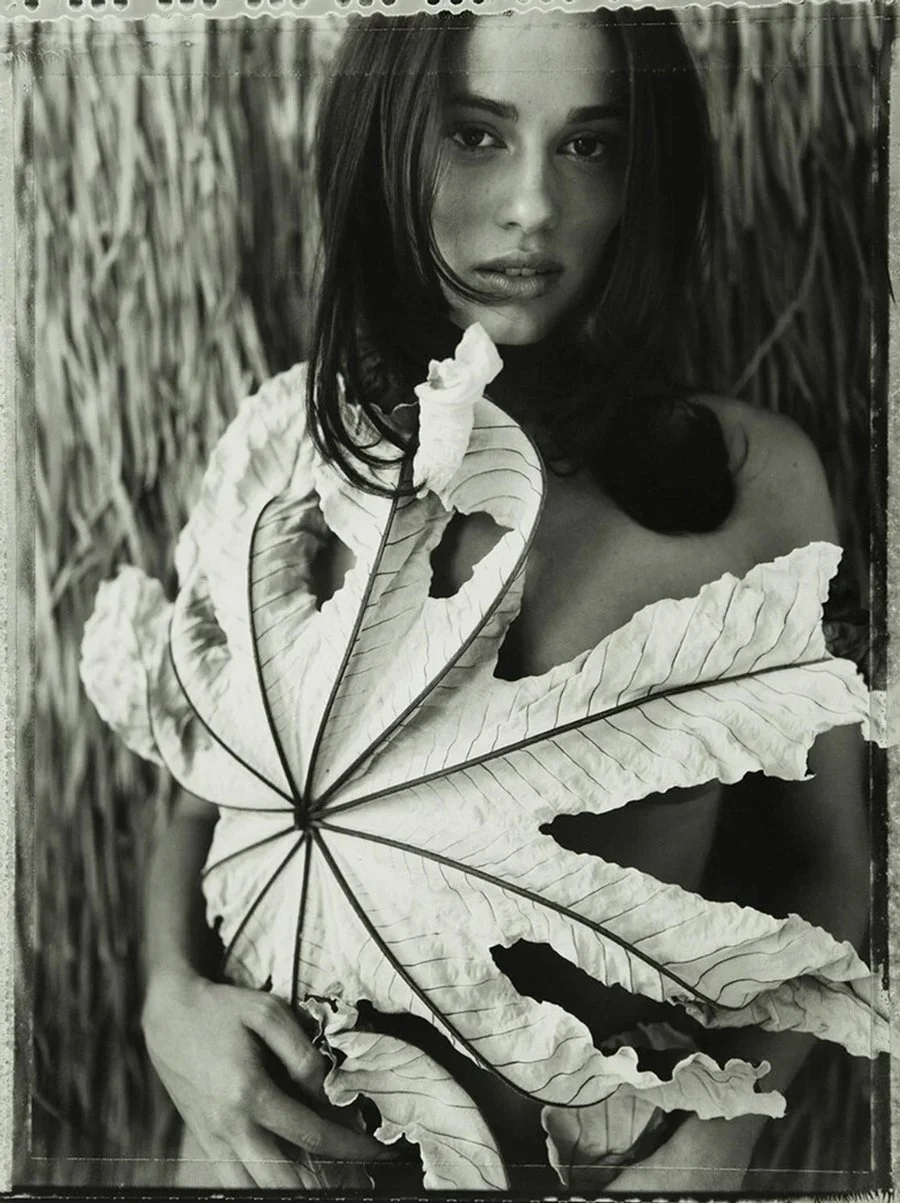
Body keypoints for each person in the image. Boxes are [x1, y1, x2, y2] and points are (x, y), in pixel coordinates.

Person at [136, 7, 871, 1192]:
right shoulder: (291, 458)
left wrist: (729, 1122)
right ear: (388, 139)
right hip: (275, 1155)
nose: (532, 206)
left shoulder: (755, 486)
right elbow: (196, 801)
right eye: (473, 135)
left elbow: (825, 862)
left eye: (590, 145)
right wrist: (170, 1005)